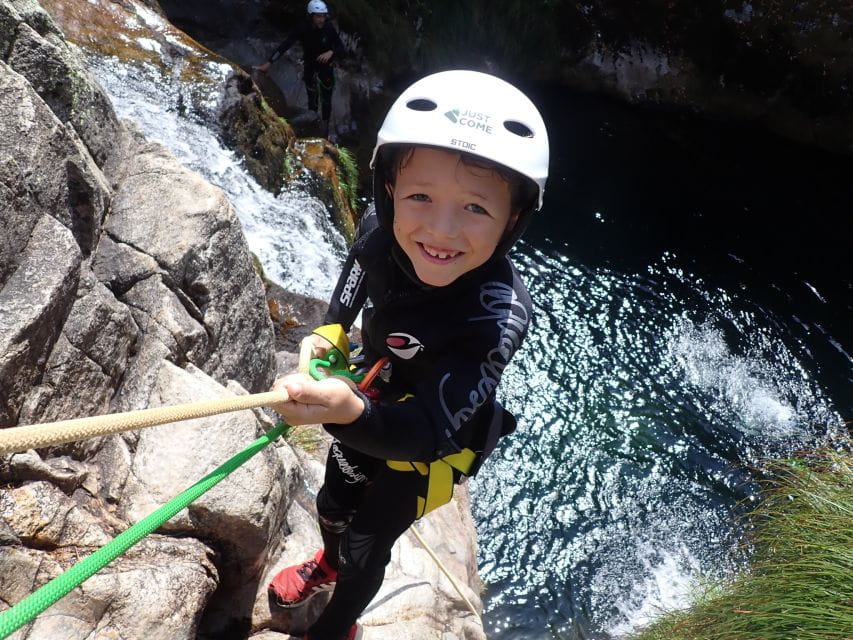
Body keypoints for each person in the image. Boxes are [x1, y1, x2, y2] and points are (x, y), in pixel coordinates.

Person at [268, 69, 549, 640]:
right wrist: (331, 332)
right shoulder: (380, 230)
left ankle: (337, 627)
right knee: (333, 504)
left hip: (426, 453)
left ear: (512, 219)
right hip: (369, 396)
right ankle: (326, 562)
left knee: (368, 546)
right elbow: (356, 272)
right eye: (420, 195)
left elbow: (425, 430)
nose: (440, 231)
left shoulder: (498, 317)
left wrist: (347, 411)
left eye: (475, 207)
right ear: (390, 190)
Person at [253, 0, 344, 130]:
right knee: (312, 101)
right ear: (311, 16)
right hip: (310, 67)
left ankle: (325, 129)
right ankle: (313, 126)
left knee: (326, 101)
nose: (321, 19)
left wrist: (331, 52)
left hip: (326, 68)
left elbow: (341, 48)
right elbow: (285, 45)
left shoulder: (328, 28)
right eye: (318, 16)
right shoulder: (303, 28)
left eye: (323, 16)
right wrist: (269, 63)